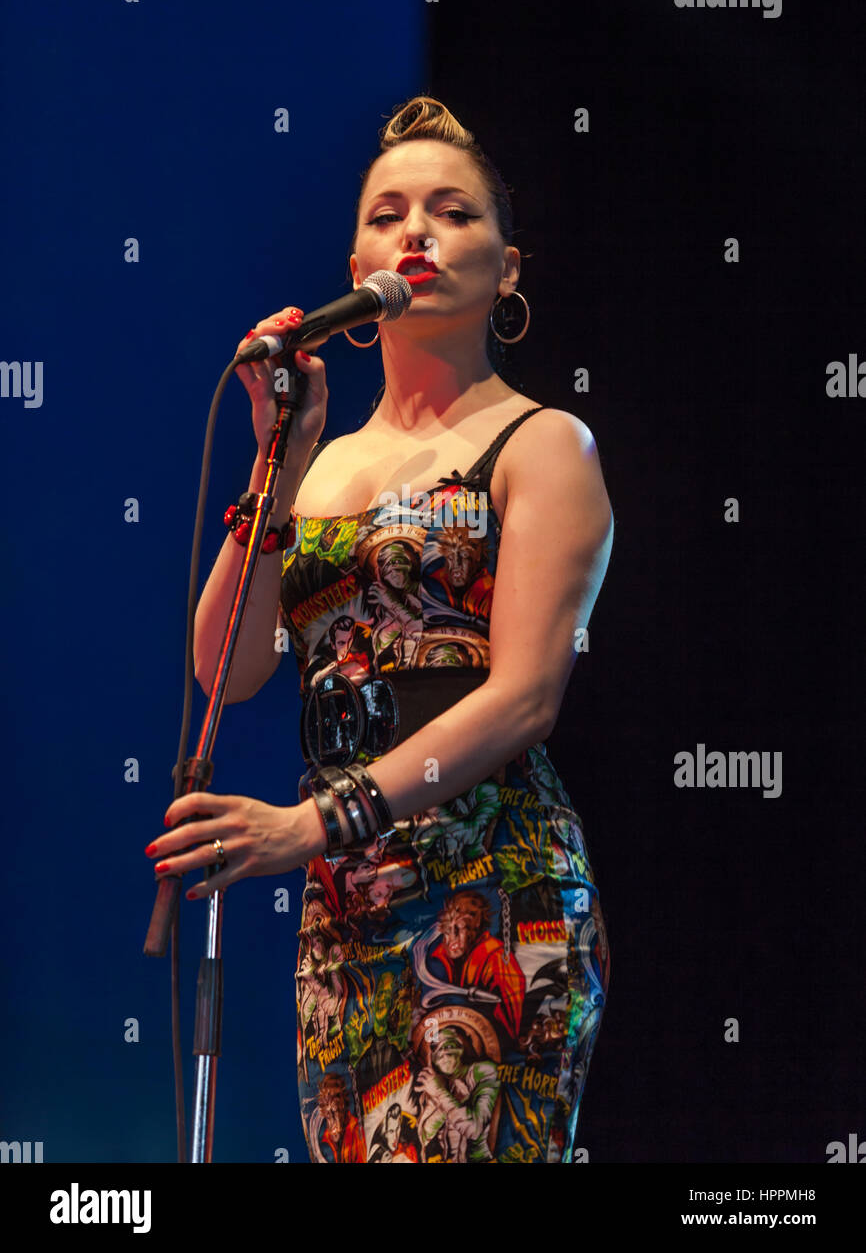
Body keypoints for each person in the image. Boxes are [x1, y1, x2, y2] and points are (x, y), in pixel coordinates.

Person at [145, 94, 614, 1163]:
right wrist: (282, 450)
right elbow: (227, 666)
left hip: (490, 880)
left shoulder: (542, 444)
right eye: (387, 212)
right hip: (344, 907)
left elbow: (524, 696)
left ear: (506, 269)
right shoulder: (323, 464)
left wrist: (310, 825)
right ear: (356, 264)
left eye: (451, 213)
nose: (415, 232)